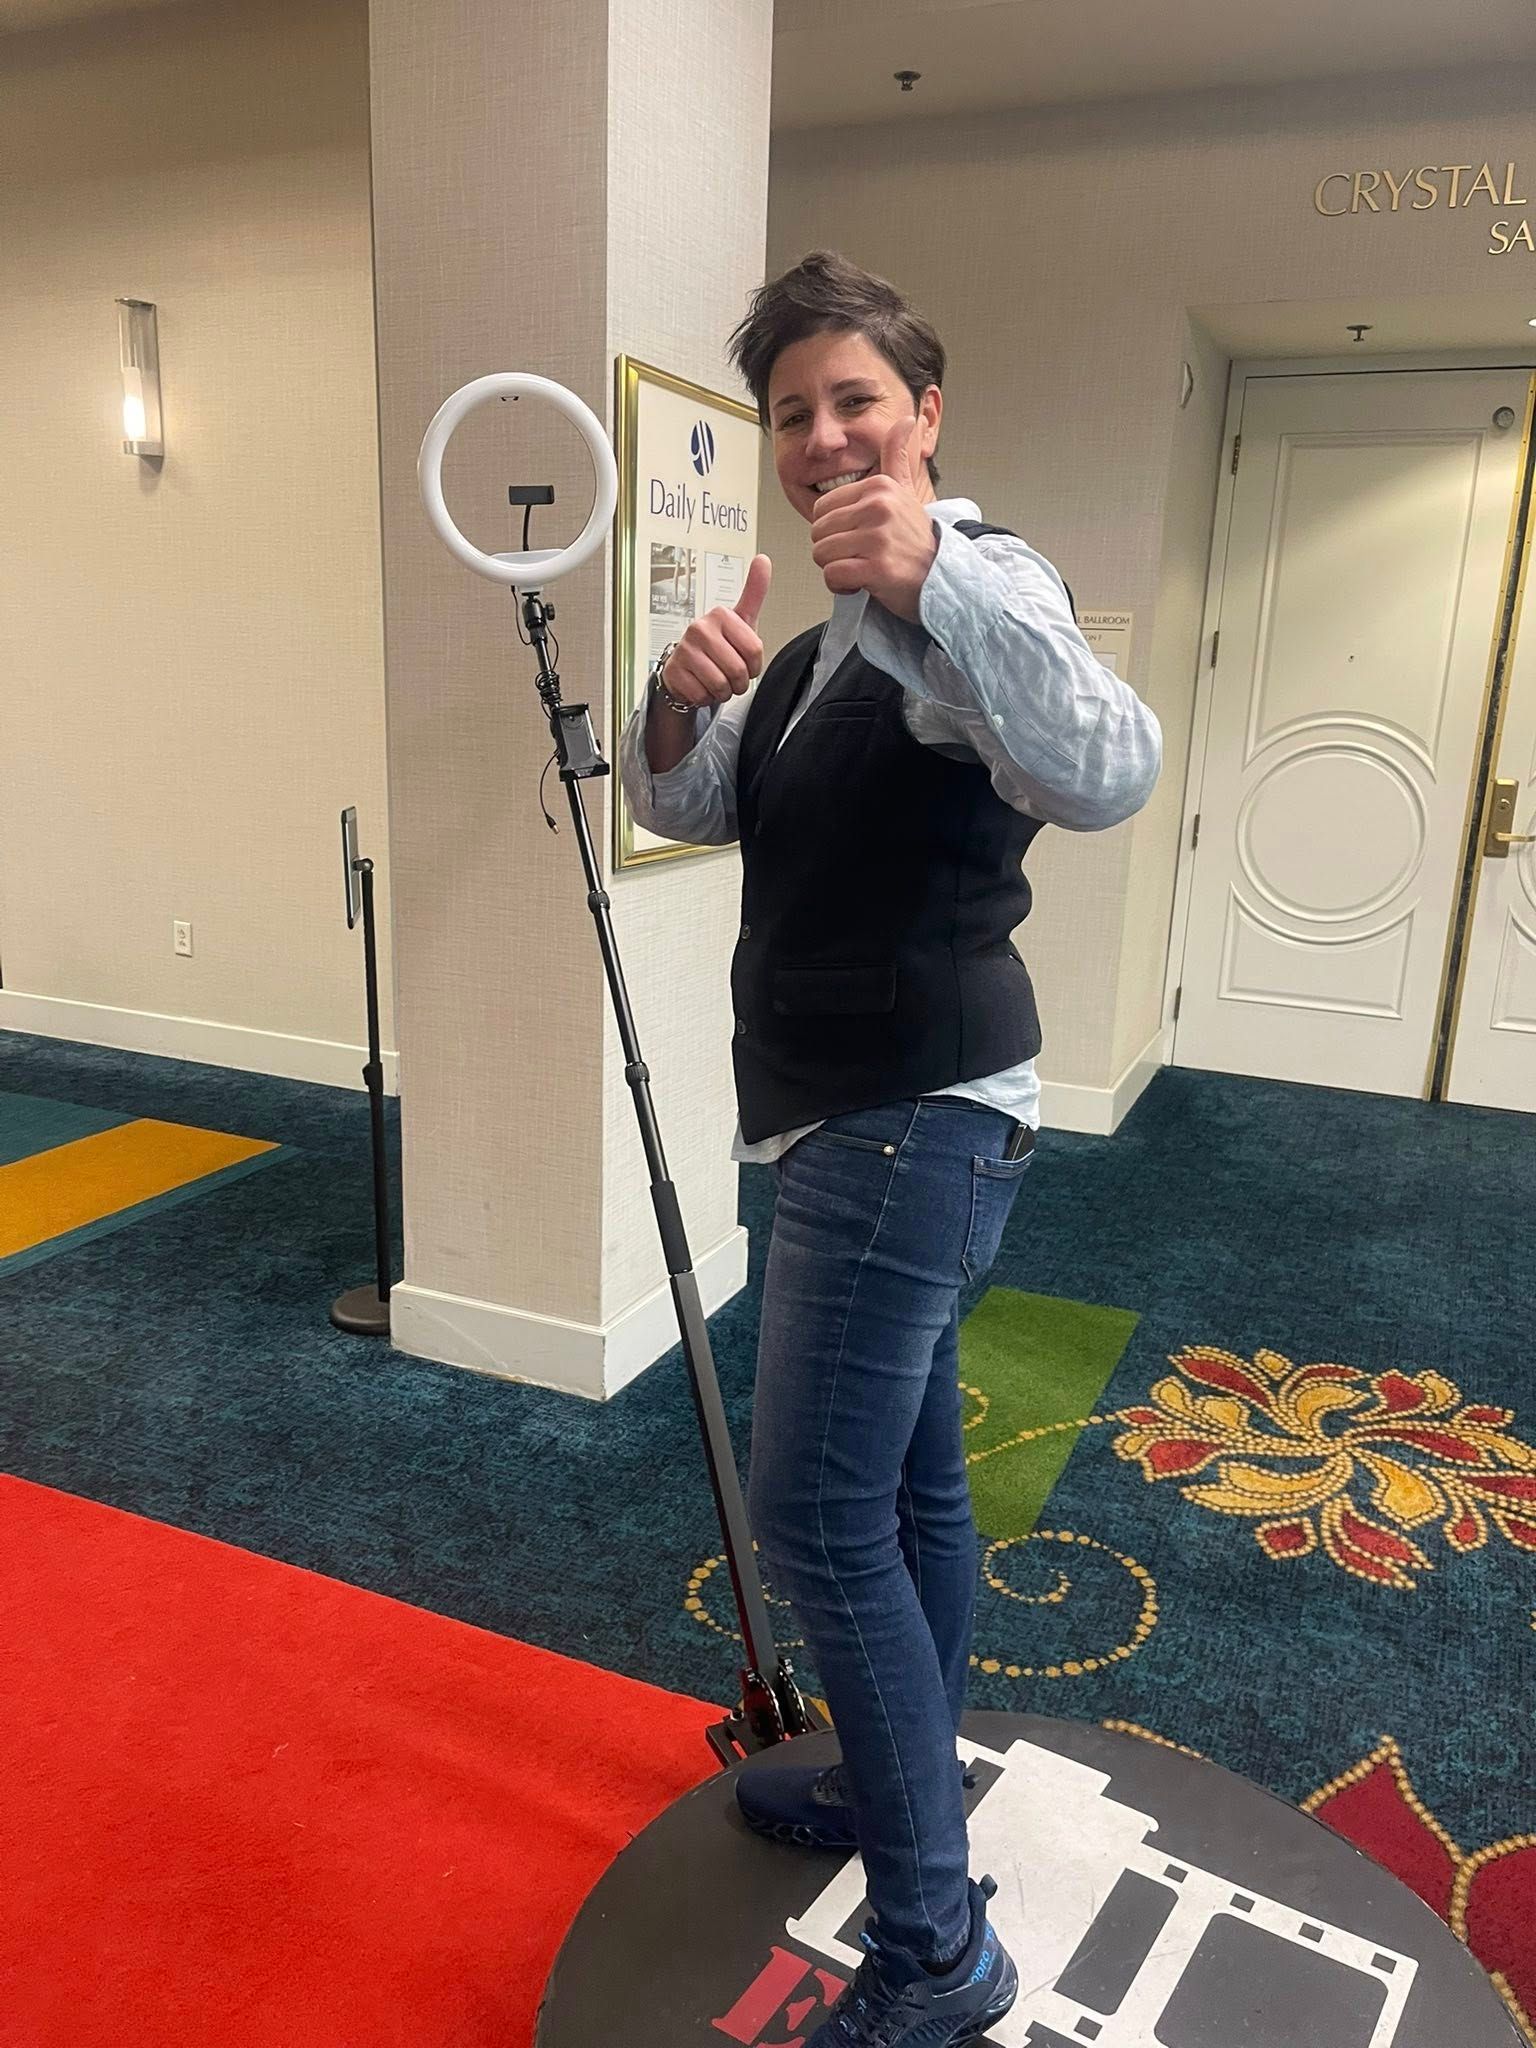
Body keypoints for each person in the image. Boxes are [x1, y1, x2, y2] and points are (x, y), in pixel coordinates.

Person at [618, 250, 1161, 2048]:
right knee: (912, 1491)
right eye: (794, 414)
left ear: (928, 415)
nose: (826, 436)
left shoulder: (976, 581)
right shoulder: (806, 650)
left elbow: (1108, 768)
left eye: (859, 401)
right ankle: (888, 1777)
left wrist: (939, 581)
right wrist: (685, 700)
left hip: (910, 1119)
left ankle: (940, 1953)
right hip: (854, 1118)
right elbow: (687, 807)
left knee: (820, 1521)